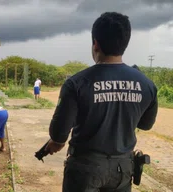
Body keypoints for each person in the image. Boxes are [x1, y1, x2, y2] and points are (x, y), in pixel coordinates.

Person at [45, 12, 158, 192]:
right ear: (125, 43)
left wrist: (56, 143)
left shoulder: (76, 83)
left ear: (95, 43)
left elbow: (59, 134)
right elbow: (146, 124)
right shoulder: (147, 85)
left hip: (85, 170)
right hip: (123, 169)